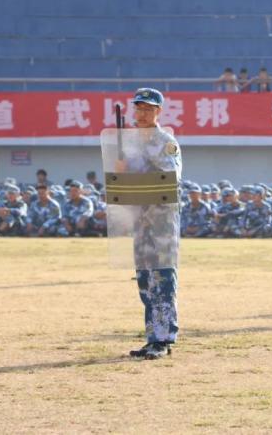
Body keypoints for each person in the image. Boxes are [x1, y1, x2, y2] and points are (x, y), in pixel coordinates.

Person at [112, 87, 183, 360]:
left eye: (148, 109)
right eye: (138, 108)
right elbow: (124, 185)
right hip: (140, 221)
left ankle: (164, 339)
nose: (141, 114)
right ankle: (153, 336)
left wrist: (134, 173)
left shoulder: (166, 142)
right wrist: (119, 174)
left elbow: (169, 179)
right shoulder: (130, 143)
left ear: (158, 112)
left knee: (162, 279)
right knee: (145, 281)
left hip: (162, 222)